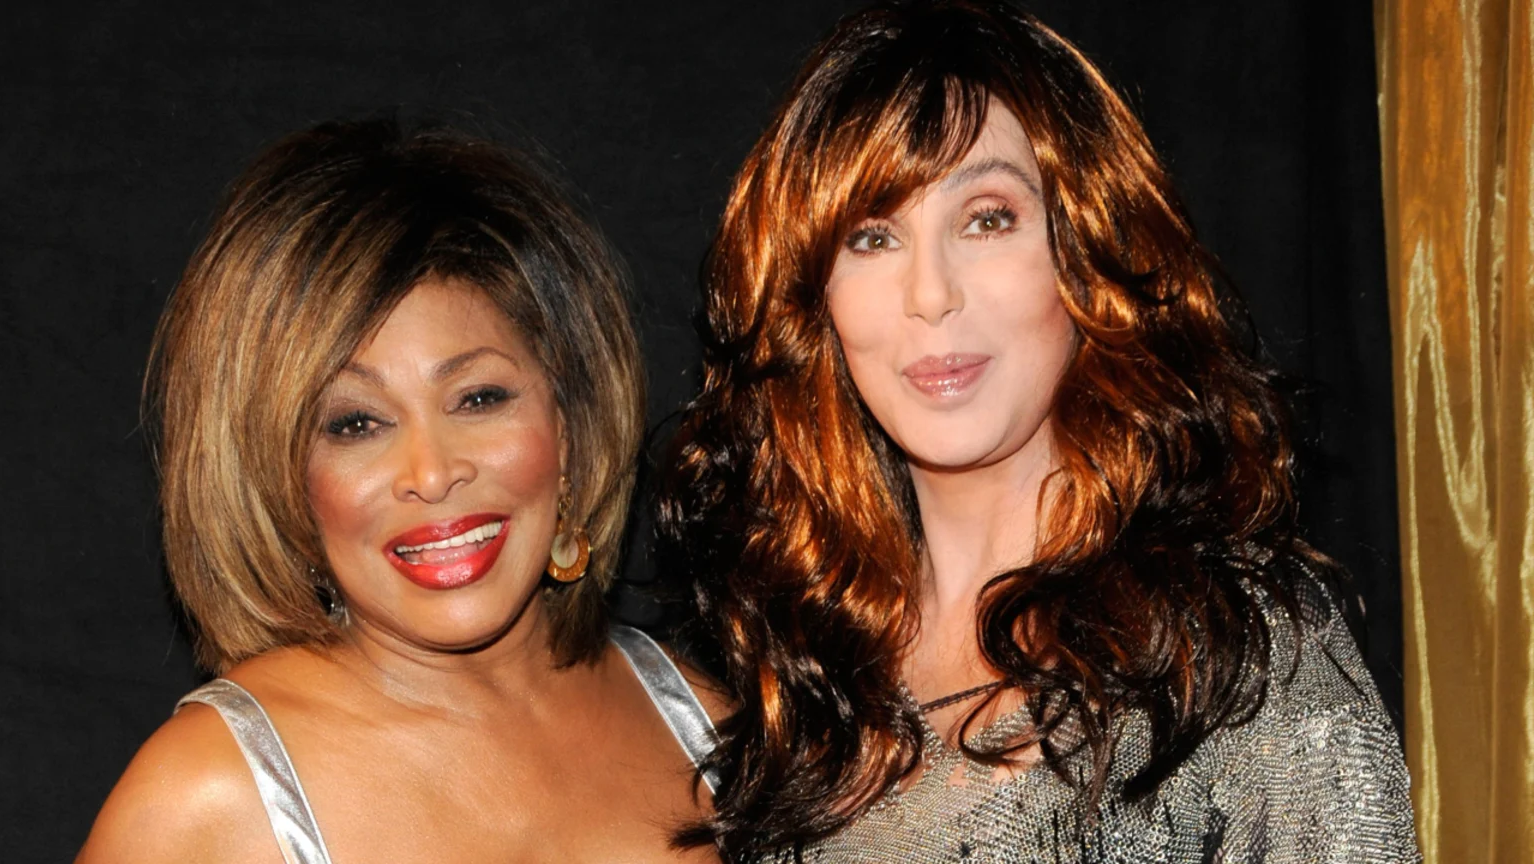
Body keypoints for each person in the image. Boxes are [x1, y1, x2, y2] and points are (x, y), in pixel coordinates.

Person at [659, 1, 1421, 861]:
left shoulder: (1229, 656)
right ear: (814, 298)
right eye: (871, 236)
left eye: (987, 218)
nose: (930, 294)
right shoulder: (799, 678)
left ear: (1084, 250)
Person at [77, 119, 723, 864]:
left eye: (478, 398)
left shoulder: (708, 725)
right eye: (355, 423)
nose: (432, 472)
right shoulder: (207, 797)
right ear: (281, 482)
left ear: (570, 426)